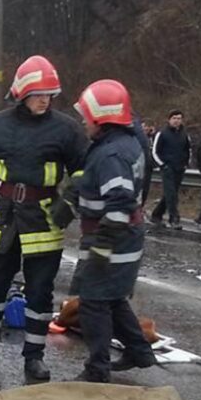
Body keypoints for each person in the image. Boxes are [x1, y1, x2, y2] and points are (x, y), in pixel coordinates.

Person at [0, 55, 88, 383]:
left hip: (45, 218)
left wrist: (70, 203)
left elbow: (83, 170)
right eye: (38, 95)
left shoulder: (67, 129)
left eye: (49, 94)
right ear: (20, 94)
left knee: (40, 292)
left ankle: (33, 356)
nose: (44, 100)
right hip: (3, 216)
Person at [70, 79, 155, 383]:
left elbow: (119, 198)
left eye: (86, 117)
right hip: (126, 236)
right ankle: (139, 352)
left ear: (101, 119)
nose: (83, 122)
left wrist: (102, 244)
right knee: (114, 298)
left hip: (113, 238)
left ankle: (97, 369)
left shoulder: (111, 154)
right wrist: (74, 191)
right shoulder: (126, 142)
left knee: (93, 301)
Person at [148, 110, 191, 229]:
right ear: (169, 119)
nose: (177, 121)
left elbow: (188, 149)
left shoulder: (184, 134)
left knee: (170, 194)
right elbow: (154, 151)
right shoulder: (162, 133)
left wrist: (186, 163)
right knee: (171, 193)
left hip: (180, 168)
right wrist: (162, 165)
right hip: (167, 168)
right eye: (174, 118)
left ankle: (156, 215)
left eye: (179, 118)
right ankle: (174, 218)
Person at [139, 118, 156, 206]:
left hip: (148, 166)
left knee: (145, 189)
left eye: (147, 127)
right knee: (139, 188)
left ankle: (142, 206)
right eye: (143, 127)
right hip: (139, 166)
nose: (145, 129)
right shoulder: (137, 138)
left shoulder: (153, 138)